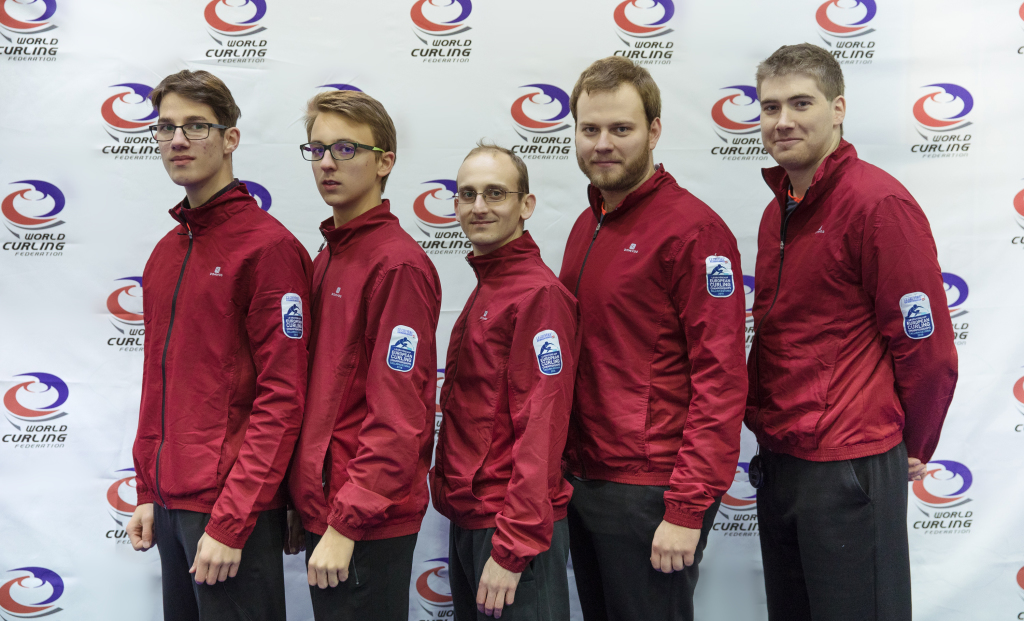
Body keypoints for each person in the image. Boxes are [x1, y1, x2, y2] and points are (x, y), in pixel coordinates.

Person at [746, 43, 958, 621]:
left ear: (838, 108)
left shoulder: (877, 203)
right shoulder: (779, 208)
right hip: (783, 457)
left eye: (800, 103)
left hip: (850, 464)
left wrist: (910, 446)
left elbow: (928, 348)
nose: (782, 120)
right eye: (769, 107)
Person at [557, 56, 748, 621]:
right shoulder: (587, 222)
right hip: (586, 479)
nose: (602, 144)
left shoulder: (694, 231)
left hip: (652, 489)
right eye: (589, 129)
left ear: (654, 130)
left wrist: (687, 508)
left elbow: (721, 378)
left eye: (621, 129)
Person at [126, 69, 312, 621]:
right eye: (166, 128)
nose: (178, 140)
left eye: (196, 126)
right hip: (171, 506)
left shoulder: (270, 249)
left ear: (231, 138)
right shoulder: (165, 252)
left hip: (232, 513)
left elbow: (283, 398)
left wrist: (232, 519)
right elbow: (161, 383)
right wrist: (147, 491)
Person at [286, 89, 442, 621]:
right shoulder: (329, 254)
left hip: (364, 520)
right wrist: (303, 501)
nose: (327, 162)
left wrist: (346, 522)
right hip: (326, 511)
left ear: (385, 161)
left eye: (347, 149)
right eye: (317, 149)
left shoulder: (396, 265)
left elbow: (399, 416)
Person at [430, 143, 580, 620]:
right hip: (473, 522)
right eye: (467, 194)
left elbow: (544, 426)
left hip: (509, 531)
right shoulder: (492, 284)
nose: (479, 207)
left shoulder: (539, 295)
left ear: (526, 205)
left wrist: (513, 545)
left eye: (495, 193)